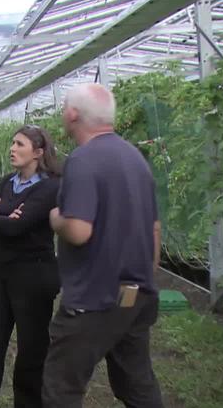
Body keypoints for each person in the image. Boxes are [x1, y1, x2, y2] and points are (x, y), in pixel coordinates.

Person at [43, 83, 163, 407]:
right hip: (135, 296)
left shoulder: (83, 159)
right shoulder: (135, 158)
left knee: (62, 387)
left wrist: (56, 218)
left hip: (94, 300)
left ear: (72, 114)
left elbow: (79, 230)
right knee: (137, 384)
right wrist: (145, 278)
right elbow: (154, 228)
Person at [0, 125, 62, 408]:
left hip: (33, 276)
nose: (12, 148)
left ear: (39, 152)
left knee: (32, 349)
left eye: (20, 144)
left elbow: (18, 226)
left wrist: (2, 217)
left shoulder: (50, 187)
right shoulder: (9, 182)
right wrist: (4, 219)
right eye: (12, 143)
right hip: (3, 273)